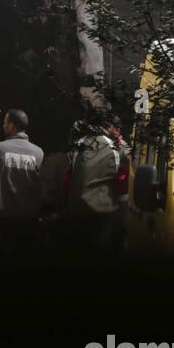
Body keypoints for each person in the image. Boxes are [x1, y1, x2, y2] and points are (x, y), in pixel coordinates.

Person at [66, 109, 128, 255]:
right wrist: (123, 144)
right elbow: (134, 159)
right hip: (101, 210)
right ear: (109, 127)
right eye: (117, 127)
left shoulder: (81, 142)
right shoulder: (113, 147)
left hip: (76, 208)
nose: (119, 131)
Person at [0, 108, 45, 248]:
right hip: (27, 220)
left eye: (5, 122)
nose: (3, 125)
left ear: (11, 125)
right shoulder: (39, 153)